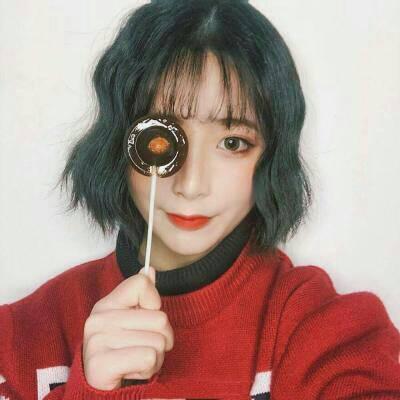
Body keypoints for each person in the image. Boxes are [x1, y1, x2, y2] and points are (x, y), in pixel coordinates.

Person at [1, 0, 399, 399]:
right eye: (161, 138)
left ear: (272, 156)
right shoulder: (20, 339)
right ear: (118, 141)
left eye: (233, 143)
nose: (191, 186)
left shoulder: (329, 334)